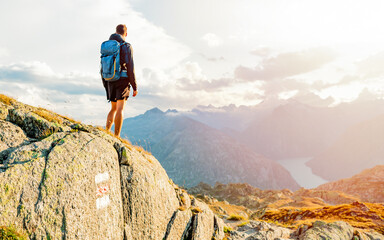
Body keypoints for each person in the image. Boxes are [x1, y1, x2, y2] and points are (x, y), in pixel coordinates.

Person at [102, 24, 137, 137]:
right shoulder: (126, 46)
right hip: (122, 80)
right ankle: (116, 136)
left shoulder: (108, 46)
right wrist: (134, 86)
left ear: (116, 32)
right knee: (120, 108)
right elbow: (130, 68)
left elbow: (103, 66)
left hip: (109, 79)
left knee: (113, 108)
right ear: (125, 34)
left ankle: (107, 131)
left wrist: (106, 83)